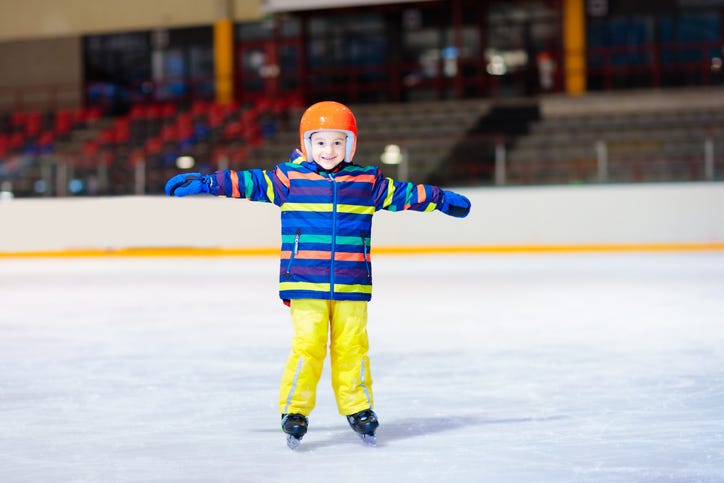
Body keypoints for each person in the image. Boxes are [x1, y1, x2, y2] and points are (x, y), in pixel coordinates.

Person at [165, 101, 471, 448]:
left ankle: (358, 407)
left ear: (350, 144)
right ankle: (295, 409)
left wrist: (441, 199)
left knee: (352, 347)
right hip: (304, 280)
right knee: (307, 345)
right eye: (321, 142)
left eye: (338, 142)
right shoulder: (288, 179)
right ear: (307, 144)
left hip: (352, 281)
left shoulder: (366, 182)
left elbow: (406, 195)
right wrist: (206, 182)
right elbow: (245, 183)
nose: (329, 150)